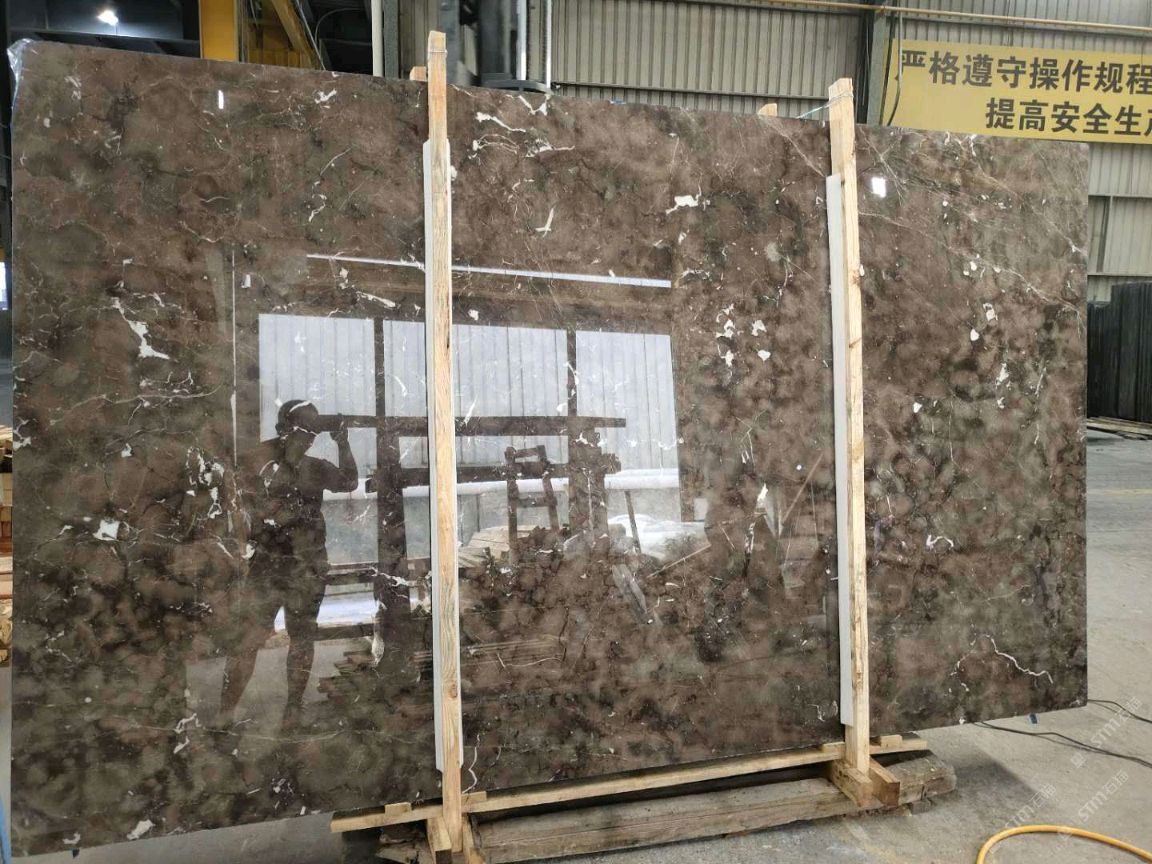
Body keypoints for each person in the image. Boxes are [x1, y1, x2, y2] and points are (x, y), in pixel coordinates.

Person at [219, 399, 359, 732]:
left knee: (302, 637)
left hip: (307, 565)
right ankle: (226, 712)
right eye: (303, 431)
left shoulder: (315, 467)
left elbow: (350, 482)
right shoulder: (259, 458)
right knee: (248, 640)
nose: (309, 439)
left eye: (313, 434)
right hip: (269, 564)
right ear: (284, 428)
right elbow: (237, 496)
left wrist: (342, 442)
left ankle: (293, 710)